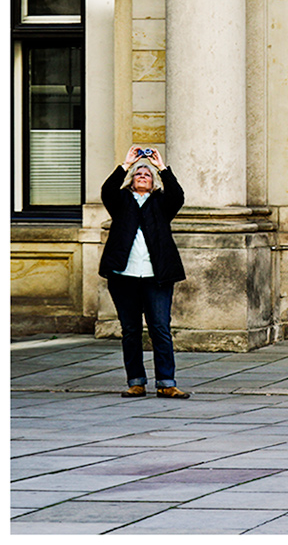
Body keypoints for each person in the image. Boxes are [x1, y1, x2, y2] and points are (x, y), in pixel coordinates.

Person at [99, 146, 189, 399]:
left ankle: (166, 382)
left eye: (147, 175)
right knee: (131, 330)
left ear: (153, 183)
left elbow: (177, 196)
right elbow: (107, 191)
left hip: (156, 277)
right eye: (138, 174)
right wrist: (126, 164)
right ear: (131, 180)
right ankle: (136, 382)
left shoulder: (161, 203)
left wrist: (162, 167)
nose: (142, 176)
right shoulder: (121, 202)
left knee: (160, 328)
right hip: (123, 276)